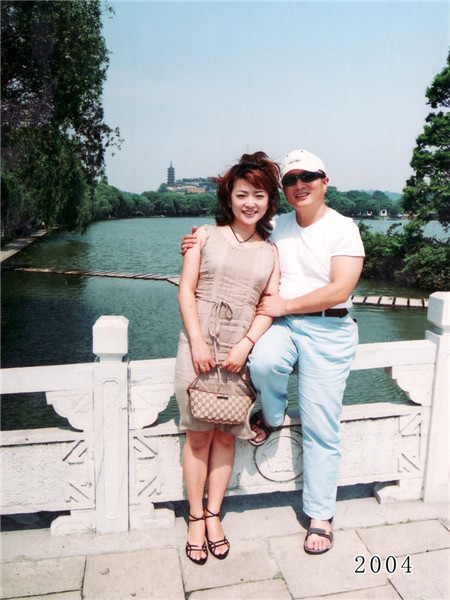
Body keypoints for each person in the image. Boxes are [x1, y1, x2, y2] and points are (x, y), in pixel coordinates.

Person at [181, 149, 364, 556]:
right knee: (262, 362)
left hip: (328, 328)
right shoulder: (277, 225)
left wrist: (284, 305)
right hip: (282, 326)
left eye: (308, 177)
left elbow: (342, 289)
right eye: (291, 179)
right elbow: (235, 240)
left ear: (325, 181)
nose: (300, 184)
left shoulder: (343, 228)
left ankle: (319, 516)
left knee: (320, 422)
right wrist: (196, 240)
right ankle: (273, 412)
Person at [175, 151, 280, 565]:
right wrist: (199, 342)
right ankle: (195, 519)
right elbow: (185, 290)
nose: (249, 202)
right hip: (197, 346)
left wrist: (246, 345)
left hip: (240, 352)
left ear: (269, 201)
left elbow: (269, 304)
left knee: (225, 435)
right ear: (229, 198)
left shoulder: (271, 252)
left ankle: (215, 514)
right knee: (197, 433)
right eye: (242, 194)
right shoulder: (203, 236)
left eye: (259, 194)